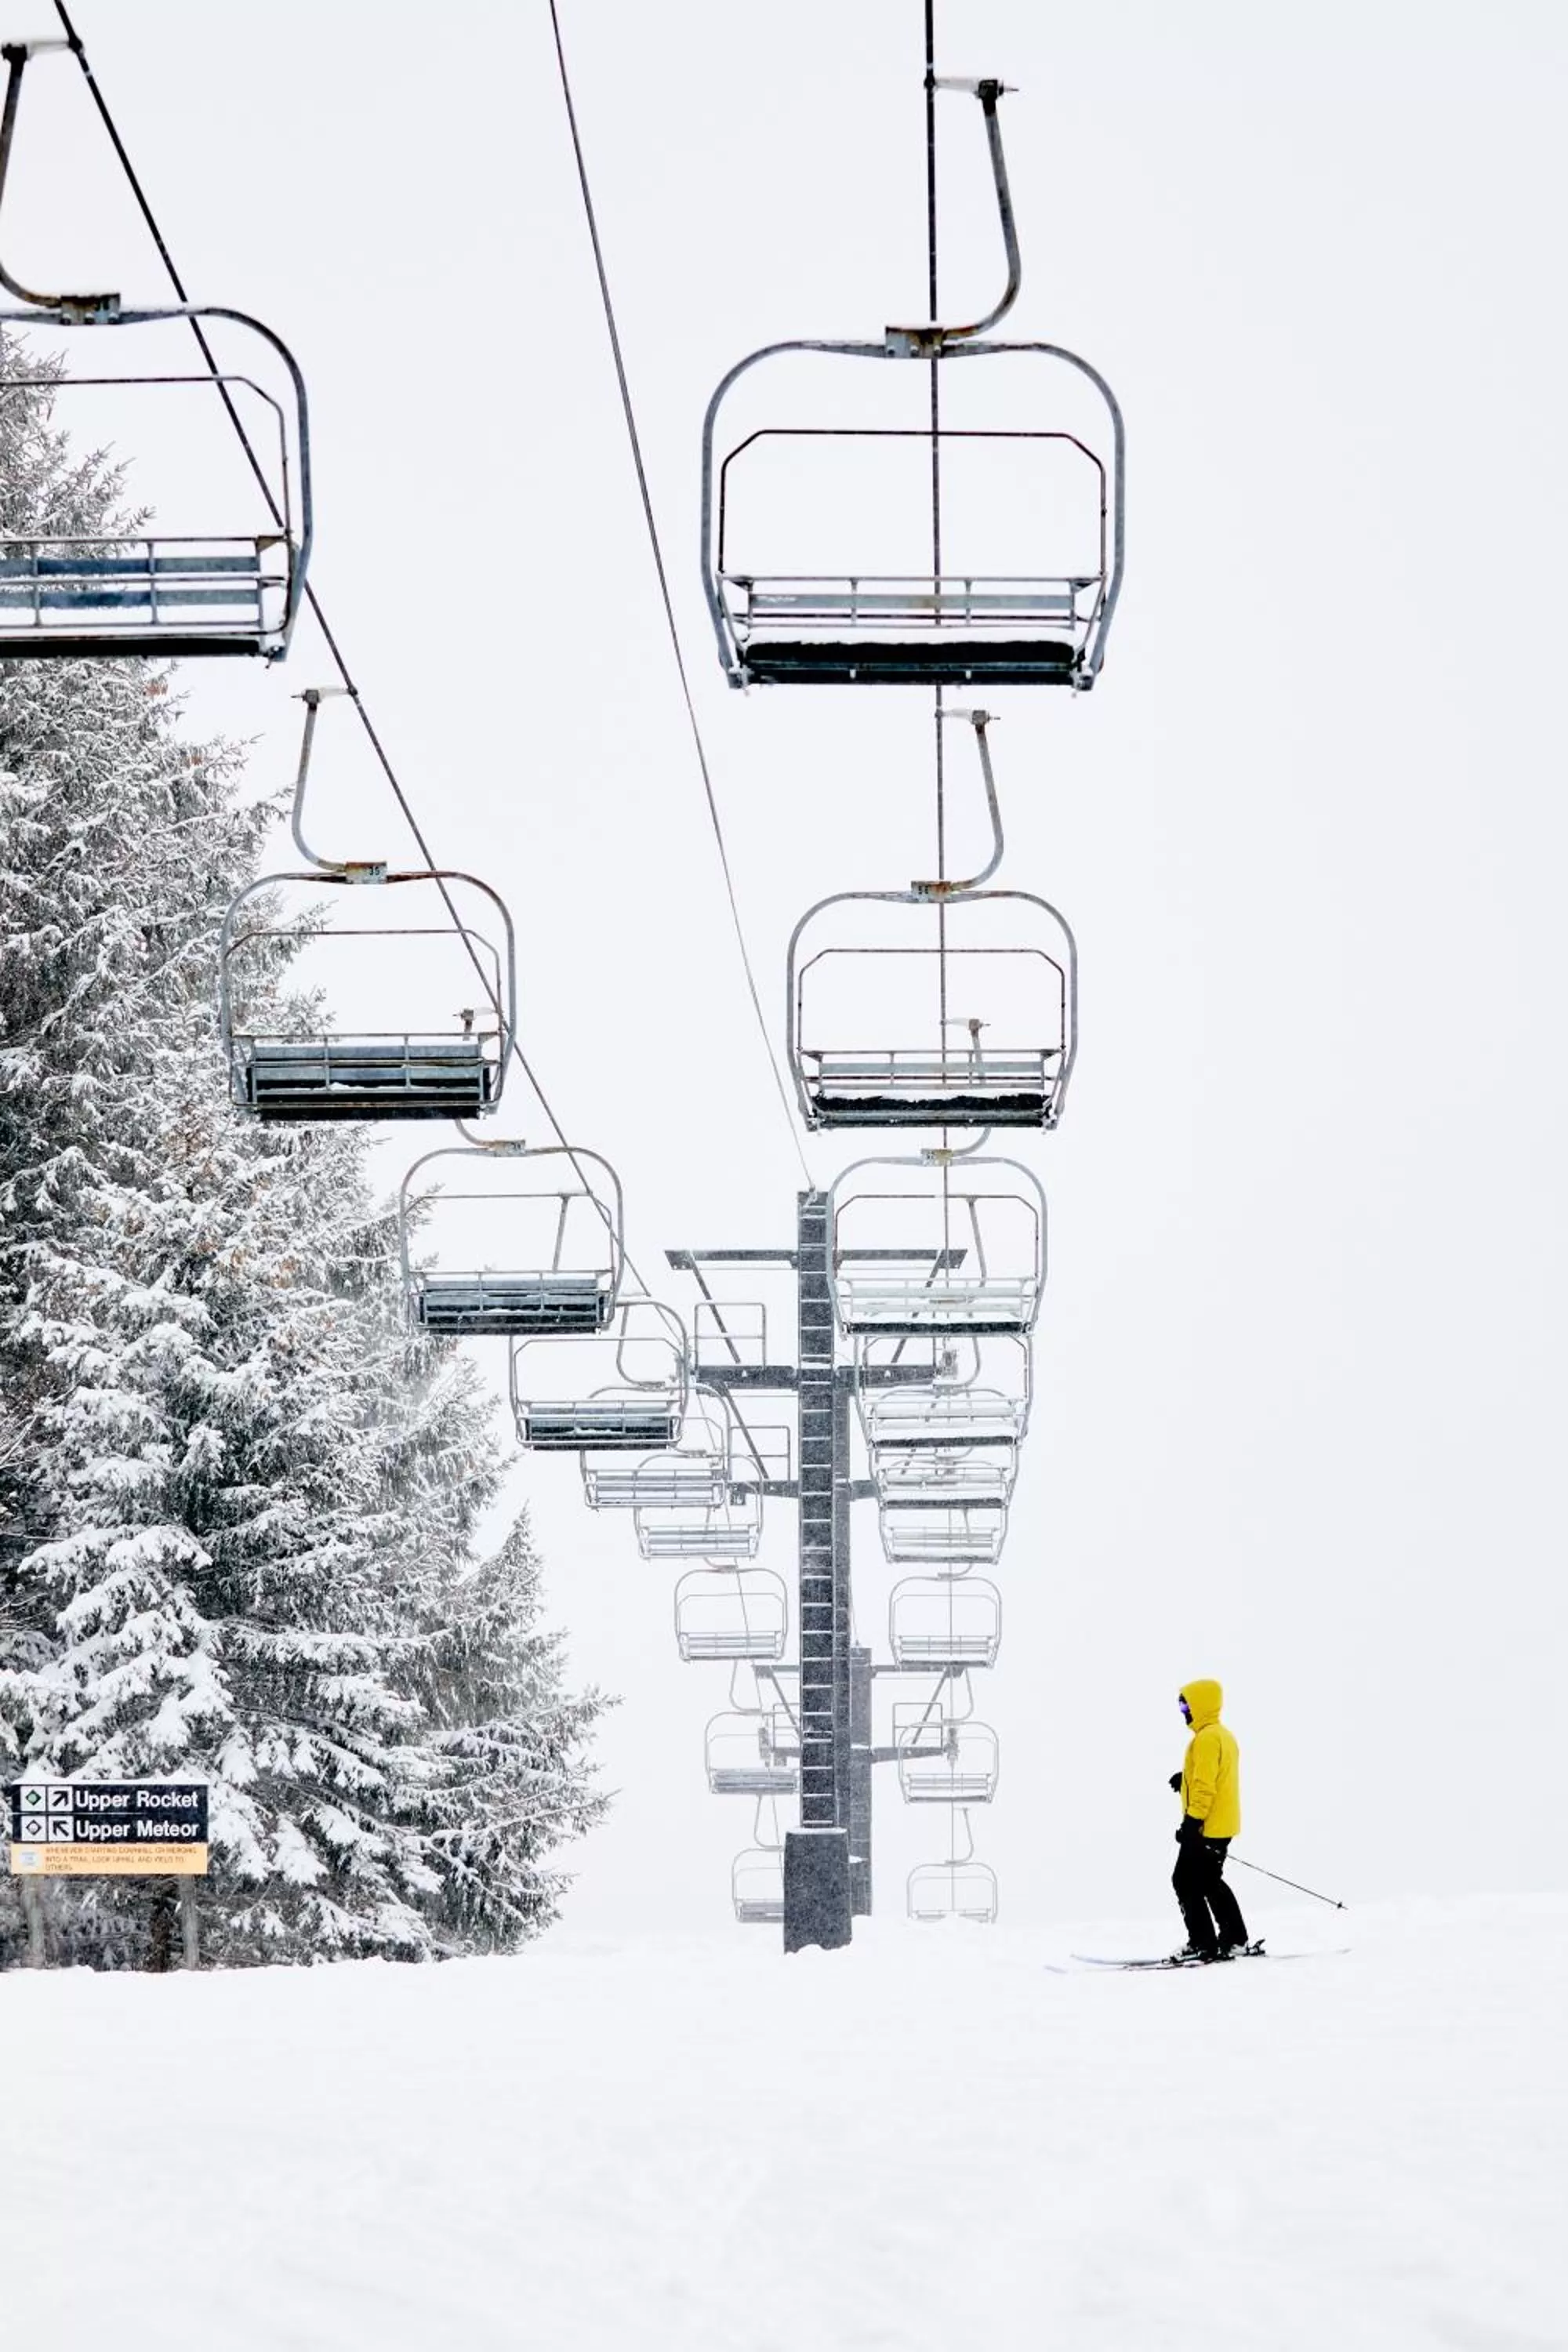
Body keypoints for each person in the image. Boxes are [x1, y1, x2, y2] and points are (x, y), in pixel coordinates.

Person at [1169, 1677, 1253, 1963]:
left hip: (1207, 1826)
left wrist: (1192, 1824)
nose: (1184, 1711)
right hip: (1221, 1824)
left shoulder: (1205, 1739)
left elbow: (1206, 1788)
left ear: (1201, 1705)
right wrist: (1185, 1781)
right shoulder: (1222, 1735)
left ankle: (1202, 1943)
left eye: (1186, 1704)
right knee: (1208, 1881)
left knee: (1184, 1881)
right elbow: (1216, 1776)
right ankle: (1235, 1938)